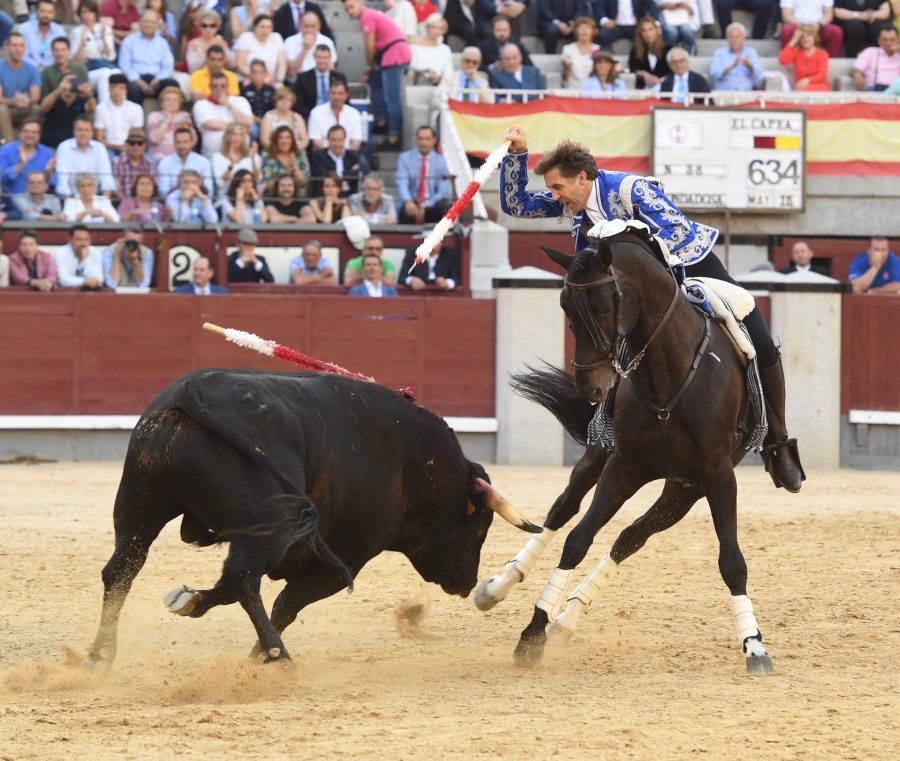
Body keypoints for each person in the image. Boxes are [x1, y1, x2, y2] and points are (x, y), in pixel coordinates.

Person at [499, 124, 805, 493]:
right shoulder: (575, 201)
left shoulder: (631, 189)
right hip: (634, 293)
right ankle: (612, 435)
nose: (554, 196)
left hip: (692, 269)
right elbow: (516, 205)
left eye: (557, 187)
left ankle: (779, 441)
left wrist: (632, 258)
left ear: (581, 178)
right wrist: (516, 154)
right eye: (551, 189)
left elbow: (675, 234)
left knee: (759, 340)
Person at [342, 0, 412, 151]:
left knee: (391, 97)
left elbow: (370, 47)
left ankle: (393, 136)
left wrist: (369, 68)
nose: (350, 11)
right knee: (375, 84)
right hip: (391, 53)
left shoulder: (367, 16)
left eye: (352, 7)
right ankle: (382, 121)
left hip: (394, 54)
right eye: (347, 9)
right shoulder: (370, 15)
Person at [118, 10, 180, 104]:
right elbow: (124, 66)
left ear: (157, 25)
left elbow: (168, 66)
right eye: (146, 21)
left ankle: (169, 116)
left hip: (157, 79)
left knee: (172, 85)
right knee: (132, 89)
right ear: (140, 22)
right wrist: (140, 83)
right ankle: (137, 118)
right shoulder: (129, 41)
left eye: (152, 22)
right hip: (136, 79)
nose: (149, 25)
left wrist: (157, 79)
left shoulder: (162, 43)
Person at [396, 125, 451, 225]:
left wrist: (425, 205)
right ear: (416, 140)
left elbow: (443, 191)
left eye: (427, 139)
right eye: (420, 139)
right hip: (411, 201)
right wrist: (408, 202)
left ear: (434, 141)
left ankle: (441, 239)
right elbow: (402, 183)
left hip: (431, 203)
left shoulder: (441, 161)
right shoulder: (404, 158)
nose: (424, 143)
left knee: (446, 208)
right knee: (406, 211)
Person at [193, 71, 254, 158]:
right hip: (213, 153)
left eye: (223, 86)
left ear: (228, 87)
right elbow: (209, 124)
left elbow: (249, 122)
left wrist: (228, 105)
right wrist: (241, 128)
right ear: (210, 87)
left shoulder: (240, 101)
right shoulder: (201, 104)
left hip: (241, 152)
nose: (219, 89)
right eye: (215, 86)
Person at [70, 0, 119, 106]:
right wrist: (82, 43)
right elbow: (74, 61)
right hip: (88, 69)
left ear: (95, 13)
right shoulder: (76, 32)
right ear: (80, 14)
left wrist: (103, 39)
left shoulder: (104, 28)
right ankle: (104, 109)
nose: (87, 16)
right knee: (108, 72)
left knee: (115, 75)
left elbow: (111, 56)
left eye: (90, 12)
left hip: (104, 65)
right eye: (84, 12)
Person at [55, 115, 115, 197]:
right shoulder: (64, 147)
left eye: (86, 130)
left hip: (96, 197)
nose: (82, 133)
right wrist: (70, 204)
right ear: (74, 131)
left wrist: (103, 202)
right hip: (71, 196)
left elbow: (107, 179)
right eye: (79, 130)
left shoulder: (99, 148)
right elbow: (62, 182)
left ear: (92, 132)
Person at [0, 33, 42, 143]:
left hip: (25, 108)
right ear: (7, 47)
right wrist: (13, 101)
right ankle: (10, 146)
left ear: (25, 48)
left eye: (21, 45)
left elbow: (35, 96)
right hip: (7, 110)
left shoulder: (32, 69)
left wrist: (27, 100)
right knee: (1, 109)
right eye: (14, 45)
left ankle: (32, 143)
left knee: (36, 108)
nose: (18, 49)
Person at [0, 118, 54, 202]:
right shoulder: (6, 150)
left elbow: (49, 184)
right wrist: (21, 165)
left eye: (34, 132)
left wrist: (48, 172)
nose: (30, 135)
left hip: (36, 203)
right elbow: (1, 179)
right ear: (19, 133)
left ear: (39, 135)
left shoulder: (46, 152)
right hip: (11, 201)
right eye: (26, 131)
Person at [292, 44, 348, 124]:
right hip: (310, 117)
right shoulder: (303, 78)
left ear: (330, 59)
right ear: (314, 58)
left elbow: (345, 100)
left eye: (325, 57)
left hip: (335, 116)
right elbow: (298, 104)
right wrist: (315, 115)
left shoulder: (339, 78)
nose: (322, 61)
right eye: (319, 57)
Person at [93, 73, 145, 155]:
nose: (117, 91)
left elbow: (137, 135)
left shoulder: (136, 108)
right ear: (108, 89)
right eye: (113, 87)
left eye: (121, 88)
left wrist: (127, 146)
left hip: (130, 147)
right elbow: (99, 138)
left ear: (126, 90)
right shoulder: (101, 109)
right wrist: (115, 147)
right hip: (108, 148)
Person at [307, 79, 363, 152]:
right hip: (323, 157)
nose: (336, 97)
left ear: (346, 96)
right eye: (333, 93)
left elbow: (356, 142)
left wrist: (348, 158)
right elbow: (316, 142)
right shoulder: (316, 113)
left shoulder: (354, 114)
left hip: (348, 157)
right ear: (328, 95)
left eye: (340, 93)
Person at [308, 124, 364, 197]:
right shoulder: (318, 155)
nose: (337, 144)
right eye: (333, 140)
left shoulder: (353, 156)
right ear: (328, 140)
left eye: (340, 140)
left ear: (344, 140)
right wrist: (349, 173)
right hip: (324, 197)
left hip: (349, 196)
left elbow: (360, 175)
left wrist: (336, 174)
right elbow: (323, 176)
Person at [157, 127, 214, 198]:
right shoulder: (164, 163)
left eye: (185, 142)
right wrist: (179, 185)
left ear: (191, 142)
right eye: (178, 142)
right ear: (174, 143)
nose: (182, 146)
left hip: (198, 203)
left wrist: (201, 185)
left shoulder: (203, 162)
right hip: (173, 203)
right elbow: (163, 193)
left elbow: (210, 193)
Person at [709, 22, 767, 90]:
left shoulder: (751, 52)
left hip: (746, 95)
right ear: (727, 38)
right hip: (724, 95)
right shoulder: (719, 53)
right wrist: (732, 66)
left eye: (737, 37)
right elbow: (714, 73)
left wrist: (749, 65)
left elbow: (760, 74)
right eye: (731, 37)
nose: (734, 40)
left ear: (743, 38)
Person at [211, 122, 261, 203]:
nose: (237, 138)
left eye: (240, 135)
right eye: (234, 134)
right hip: (227, 198)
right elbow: (221, 183)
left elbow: (257, 178)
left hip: (249, 198)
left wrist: (252, 159)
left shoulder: (252, 155)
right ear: (228, 136)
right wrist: (232, 164)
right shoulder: (217, 156)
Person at [284, 10, 337, 83]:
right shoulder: (290, 41)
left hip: (320, 81)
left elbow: (331, 69)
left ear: (319, 26)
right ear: (301, 25)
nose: (309, 30)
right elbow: (291, 73)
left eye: (313, 26)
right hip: (297, 83)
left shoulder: (327, 41)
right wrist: (305, 49)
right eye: (306, 26)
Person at [779, 0, 844, 59]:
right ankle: (788, 59)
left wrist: (819, 25)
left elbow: (829, 15)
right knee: (786, 31)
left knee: (836, 32)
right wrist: (801, 25)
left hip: (818, 26)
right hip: (797, 26)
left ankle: (832, 60)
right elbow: (786, 15)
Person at [146, 86, 195, 162]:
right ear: (161, 102)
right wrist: (167, 120)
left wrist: (185, 128)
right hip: (158, 158)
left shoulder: (184, 116)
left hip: (179, 157)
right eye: (168, 99)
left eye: (175, 100)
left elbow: (193, 140)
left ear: (180, 103)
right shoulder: (154, 116)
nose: (171, 102)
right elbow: (154, 139)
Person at [234, 14, 287, 84]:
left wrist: (280, 81)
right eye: (262, 27)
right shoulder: (245, 37)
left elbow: (282, 64)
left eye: (269, 27)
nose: (265, 30)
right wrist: (259, 78)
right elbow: (240, 65)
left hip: (270, 82)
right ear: (254, 27)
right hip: (247, 81)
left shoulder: (276, 38)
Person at [778, 24, 831, 90]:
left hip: (819, 86)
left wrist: (807, 80)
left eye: (808, 36)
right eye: (802, 37)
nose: (805, 39)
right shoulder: (796, 52)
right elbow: (782, 60)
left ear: (814, 37)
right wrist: (794, 40)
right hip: (801, 87)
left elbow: (821, 75)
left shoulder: (822, 54)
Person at [261, 124, 310, 196]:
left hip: (297, 197)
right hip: (274, 196)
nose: (284, 141)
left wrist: (294, 167)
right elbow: (267, 185)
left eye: (288, 138)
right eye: (281, 138)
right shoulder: (268, 155)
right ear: (276, 140)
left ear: (292, 140)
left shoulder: (300, 154)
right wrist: (285, 173)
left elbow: (303, 183)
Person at [19, 0, 66, 70]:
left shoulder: (59, 31)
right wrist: (37, 67)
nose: (46, 15)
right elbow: (21, 55)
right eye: (43, 11)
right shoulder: (25, 29)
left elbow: (64, 55)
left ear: (54, 14)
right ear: (36, 11)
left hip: (53, 71)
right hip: (29, 69)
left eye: (49, 12)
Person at [55, 223, 105, 289]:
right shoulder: (61, 253)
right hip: (67, 293)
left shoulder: (95, 253)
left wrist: (86, 259)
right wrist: (84, 281)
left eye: (86, 240)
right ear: (70, 240)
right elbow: (63, 280)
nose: (83, 243)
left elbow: (99, 279)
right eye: (79, 240)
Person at [409, 13, 454, 86]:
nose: (436, 31)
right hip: (420, 83)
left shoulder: (445, 49)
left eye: (440, 28)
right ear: (427, 28)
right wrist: (427, 72)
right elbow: (412, 65)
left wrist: (439, 79)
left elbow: (448, 72)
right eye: (434, 27)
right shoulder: (414, 47)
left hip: (440, 85)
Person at [850, 26, 900, 91]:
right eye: (885, 40)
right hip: (875, 90)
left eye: (892, 40)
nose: (889, 43)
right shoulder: (870, 52)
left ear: (897, 40)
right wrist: (857, 76)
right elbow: (854, 70)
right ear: (879, 41)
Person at [596, 1, 661, 50]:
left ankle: (643, 61)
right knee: (604, 34)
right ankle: (606, 60)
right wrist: (604, 21)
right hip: (615, 26)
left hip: (636, 26)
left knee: (648, 35)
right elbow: (600, 6)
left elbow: (651, 5)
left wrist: (656, 24)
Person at [260, 87, 309, 152]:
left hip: (295, 152)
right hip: (274, 152)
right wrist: (279, 153)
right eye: (281, 99)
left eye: (288, 100)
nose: (284, 102)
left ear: (292, 102)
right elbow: (264, 139)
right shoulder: (268, 116)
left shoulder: (298, 117)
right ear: (276, 101)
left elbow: (305, 140)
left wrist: (295, 151)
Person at [111, 127, 155, 199]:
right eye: (132, 143)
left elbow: (152, 188)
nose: (136, 146)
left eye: (139, 143)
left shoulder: (149, 163)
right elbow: (115, 190)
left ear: (144, 145)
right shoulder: (117, 162)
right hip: (122, 203)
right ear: (127, 144)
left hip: (144, 203)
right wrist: (129, 203)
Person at [629, 16, 671, 90]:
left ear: (656, 30)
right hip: (642, 89)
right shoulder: (636, 50)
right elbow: (632, 68)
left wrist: (660, 80)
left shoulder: (667, 49)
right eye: (644, 31)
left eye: (650, 29)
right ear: (640, 34)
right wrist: (644, 74)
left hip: (664, 88)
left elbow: (672, 70)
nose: (648, 33)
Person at [184, 10, 233, 75]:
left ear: (217, 27)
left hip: (220, 77)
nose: (208, 29)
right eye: (204, 25)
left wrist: (223, 46)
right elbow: (192, 69)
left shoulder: (220, 41)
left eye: (212, 26)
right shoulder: (193, 43)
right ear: (199, 26)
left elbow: (231, 64)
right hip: (200, 77)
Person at [241, 58, 278, 143]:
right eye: (254, 72)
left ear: (265, 73)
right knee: (253, 130)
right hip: (251, 122)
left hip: (269, 122)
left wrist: (265, 122)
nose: (257, 75)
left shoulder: (271, 90)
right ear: (250, 74)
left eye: (260, 72)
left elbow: (275, 110)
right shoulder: (244, 90)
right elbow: (243, 111)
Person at [561, 16, 600, 91]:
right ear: (576, 30)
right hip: (573, 90)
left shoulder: (598, 50)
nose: (584, 31)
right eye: (581, 28)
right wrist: (566, 68)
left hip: (593, 92)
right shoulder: (567, 49)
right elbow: (565, 77)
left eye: (587, 28)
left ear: (593, 31)